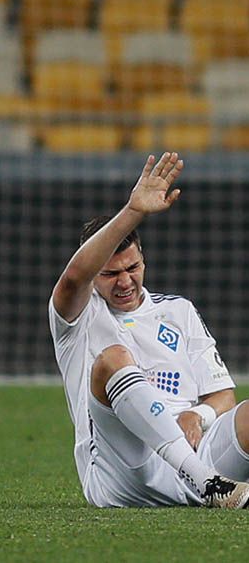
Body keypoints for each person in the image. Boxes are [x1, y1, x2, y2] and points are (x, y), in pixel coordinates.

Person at [49, 151, 249, 508]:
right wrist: (134, 212)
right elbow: (74, 278)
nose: (125, 281)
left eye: (133, 268)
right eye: (110, 274)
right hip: (123, 473)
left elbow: (223, 397)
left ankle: (210, 485)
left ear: (144, 260)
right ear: (95, 274)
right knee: (112, 360)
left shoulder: (179, 311)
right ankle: (205, 484)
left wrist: (195, 415)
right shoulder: (77, 320)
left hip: (197, 452)